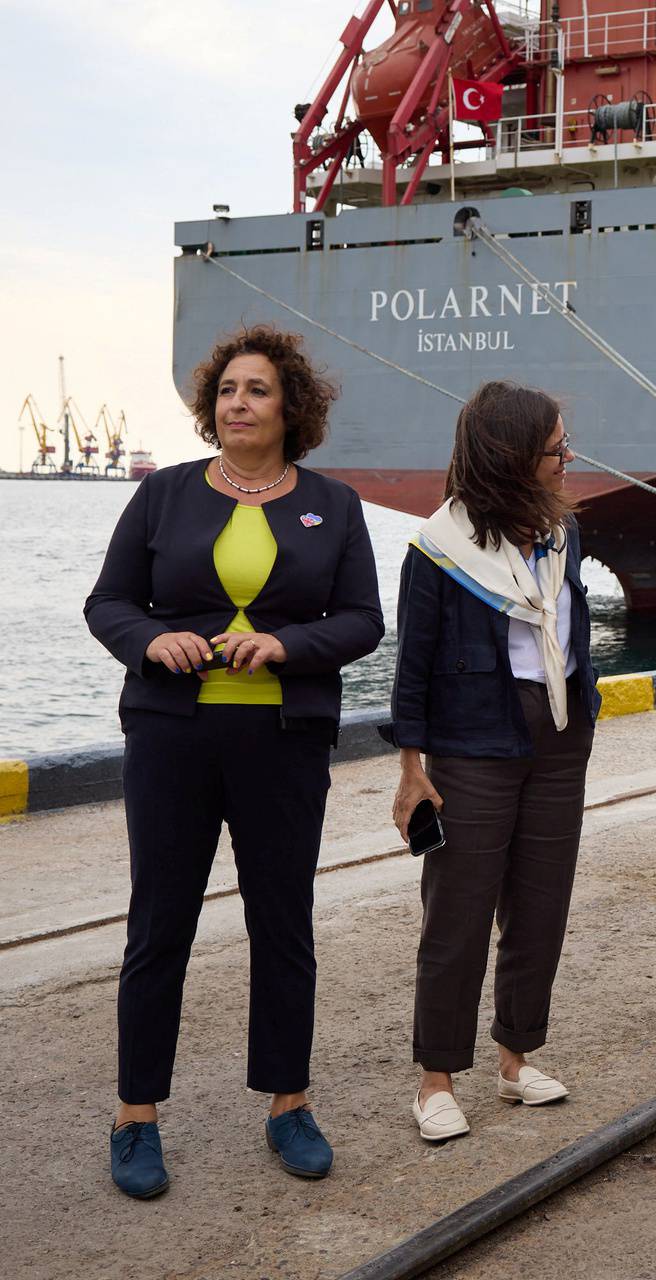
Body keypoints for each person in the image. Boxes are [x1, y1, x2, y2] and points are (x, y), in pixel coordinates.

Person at [85, 325, 384, 1198]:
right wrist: (156, 639)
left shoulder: (334, 502)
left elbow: (363, 620)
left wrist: (287, 648)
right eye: (226, 392)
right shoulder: (164, 495)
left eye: (255, 391)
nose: (237, 405)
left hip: (282, 745)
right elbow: (108, 602)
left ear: (292, 407)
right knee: (159, 926)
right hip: (172, 740)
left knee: (283, 926)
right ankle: (135, 1116)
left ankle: (288, 1103)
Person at [386, 382, 601, 1142]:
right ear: (513, 458)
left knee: (540, 910)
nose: (569, 458)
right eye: (556, 448)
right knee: (458, 917)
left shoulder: (562, 534)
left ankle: (515, 1061)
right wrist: (412, 769)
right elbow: (411, 667)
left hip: (559, 742)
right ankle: (436, 1079)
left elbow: (567, 630)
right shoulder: (440, 548)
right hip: (472, 748)